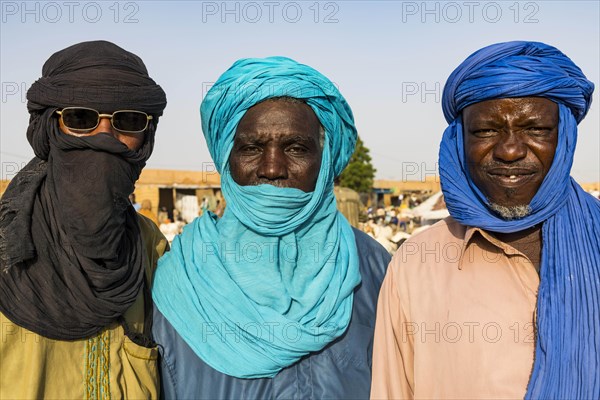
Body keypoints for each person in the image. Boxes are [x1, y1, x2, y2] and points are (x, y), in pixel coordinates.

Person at [371, 41, 599, 399]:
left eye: (536, 129)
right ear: (459, 141)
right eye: (486, 131)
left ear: (565, 136)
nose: (510, 150)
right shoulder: (416, 264)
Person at [152, 56, 391, 399]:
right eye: (251, 148)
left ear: (324, 163)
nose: (273, 168)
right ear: (226, 158)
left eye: (296, 148)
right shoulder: (181, 274)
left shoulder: (374, 270)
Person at [0, 41, 168, 399]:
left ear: (144, 139)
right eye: (80, 118)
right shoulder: (6, 246)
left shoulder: (151, 246)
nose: (104, 137)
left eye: (128, 121)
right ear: (49, 128)